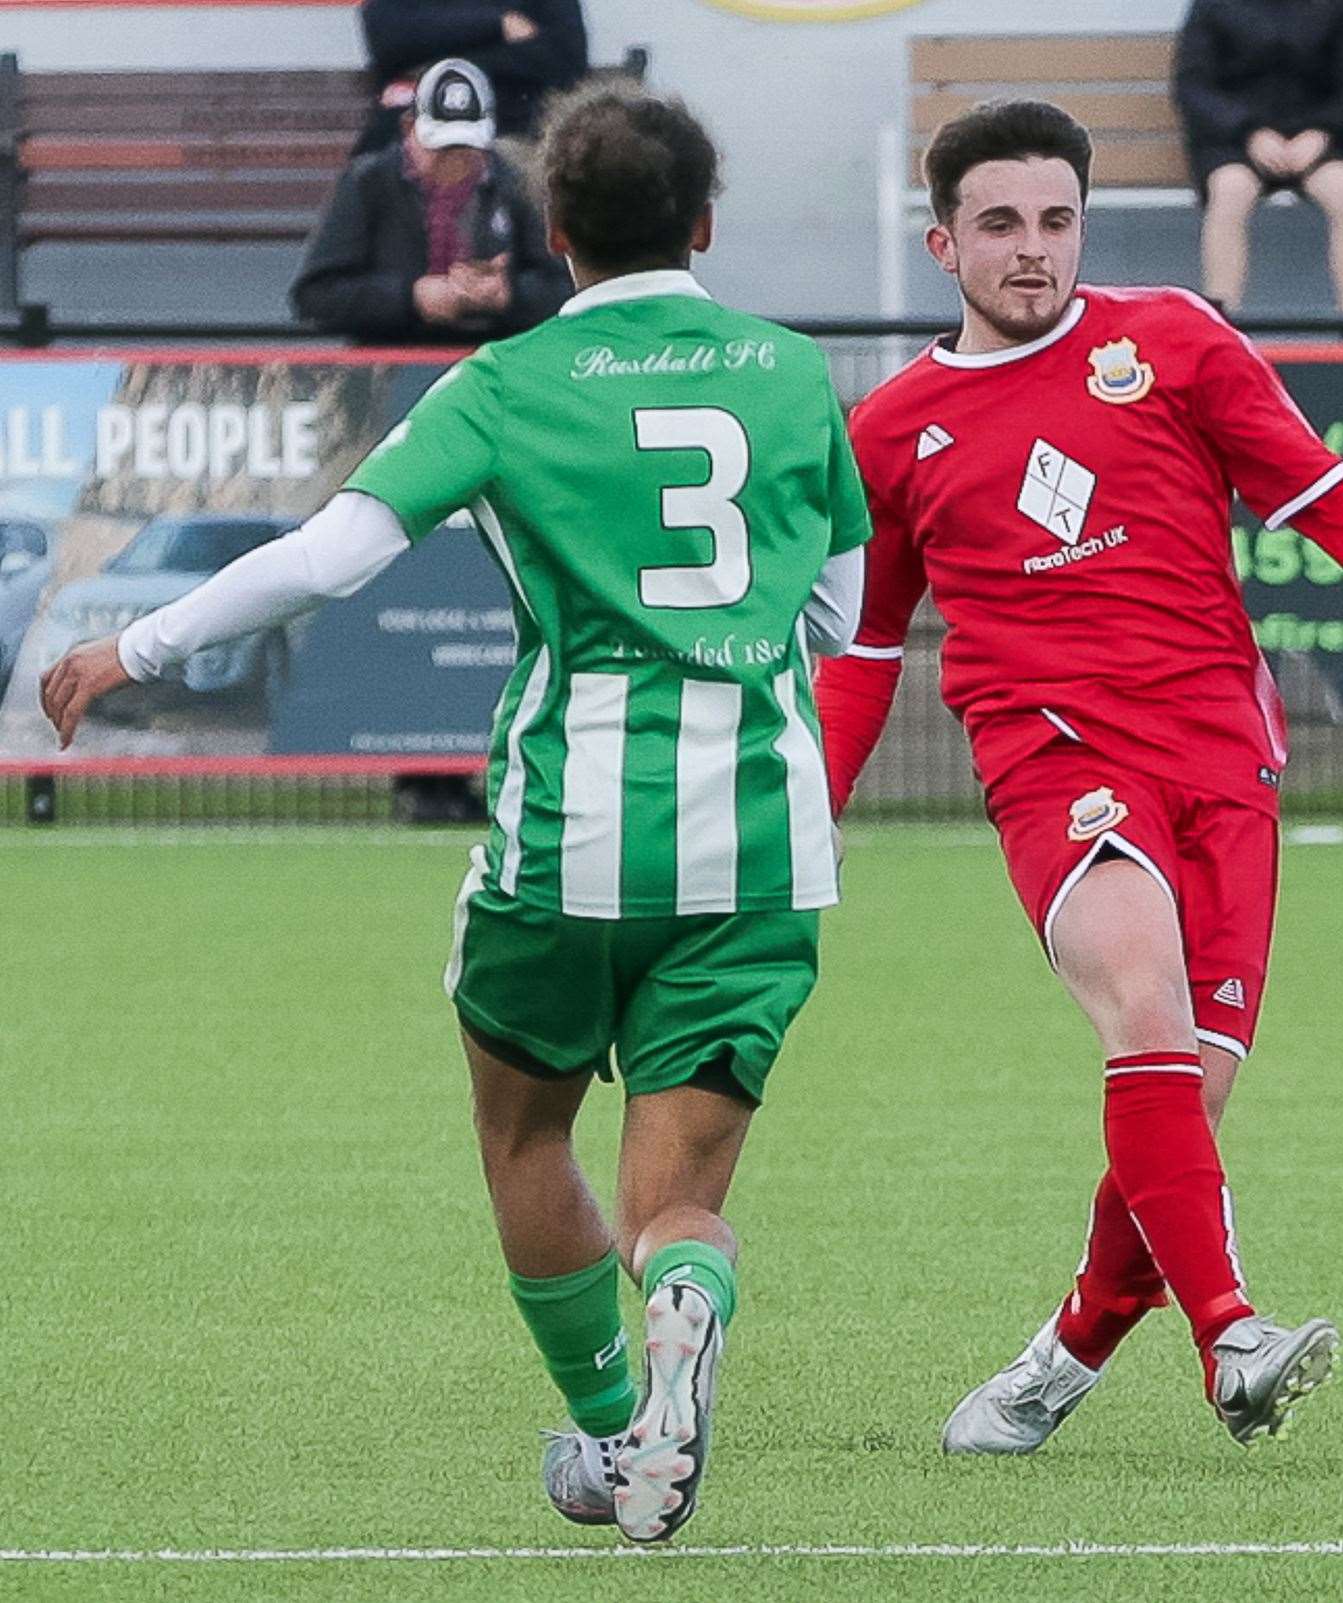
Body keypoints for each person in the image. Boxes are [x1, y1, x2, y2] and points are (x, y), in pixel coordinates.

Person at [41, 86, 872, 1545]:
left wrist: (136, 648)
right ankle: (682, 1300)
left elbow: (326, 555)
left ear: (553, 234)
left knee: (525, 1139)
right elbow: (837, 611)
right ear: (704, 223)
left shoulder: (501, 382)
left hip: (570, 834)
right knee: (672, 1194)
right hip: (757, 839)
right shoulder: (795, 377)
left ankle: (617, 1436)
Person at [815, 98, 1343, 1455]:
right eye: (1000, 226)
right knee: (1146, 1010)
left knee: (1187, 1086)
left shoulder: (1174, 340)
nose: (1032, 251)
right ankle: (1230, 1333)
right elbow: (867, 648)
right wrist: (803, 816)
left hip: (1221, 757)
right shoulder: (890, 432)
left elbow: (1315, 489)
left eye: (1056, 221)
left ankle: (1061, 1352)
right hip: (1050, 756)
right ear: (942, 242)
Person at [293, 60, 569, 344]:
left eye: (466, 150)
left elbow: (562, 287)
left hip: (491, 356)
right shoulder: (368, 181)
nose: (454, 164)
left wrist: (508, 295)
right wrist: (412, 297)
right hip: (390, 360)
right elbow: (315, 296)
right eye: (441, 149)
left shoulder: (515, 184)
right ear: (409, 128)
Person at [1174, 0, 1343, 313]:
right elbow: (1194, 85)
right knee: (1230, 190)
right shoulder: (1213, 6)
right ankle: (1223, 323)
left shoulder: (1334, 7)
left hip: (1317, 140)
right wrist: (1248, 131)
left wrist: (1324, 131)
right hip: (1235, 142)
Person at [354, 0, 588, 154]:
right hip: (411, 134)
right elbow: (387, 38)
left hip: (511, 133)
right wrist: (496, 25)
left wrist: (440, 60)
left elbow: (565, 60)